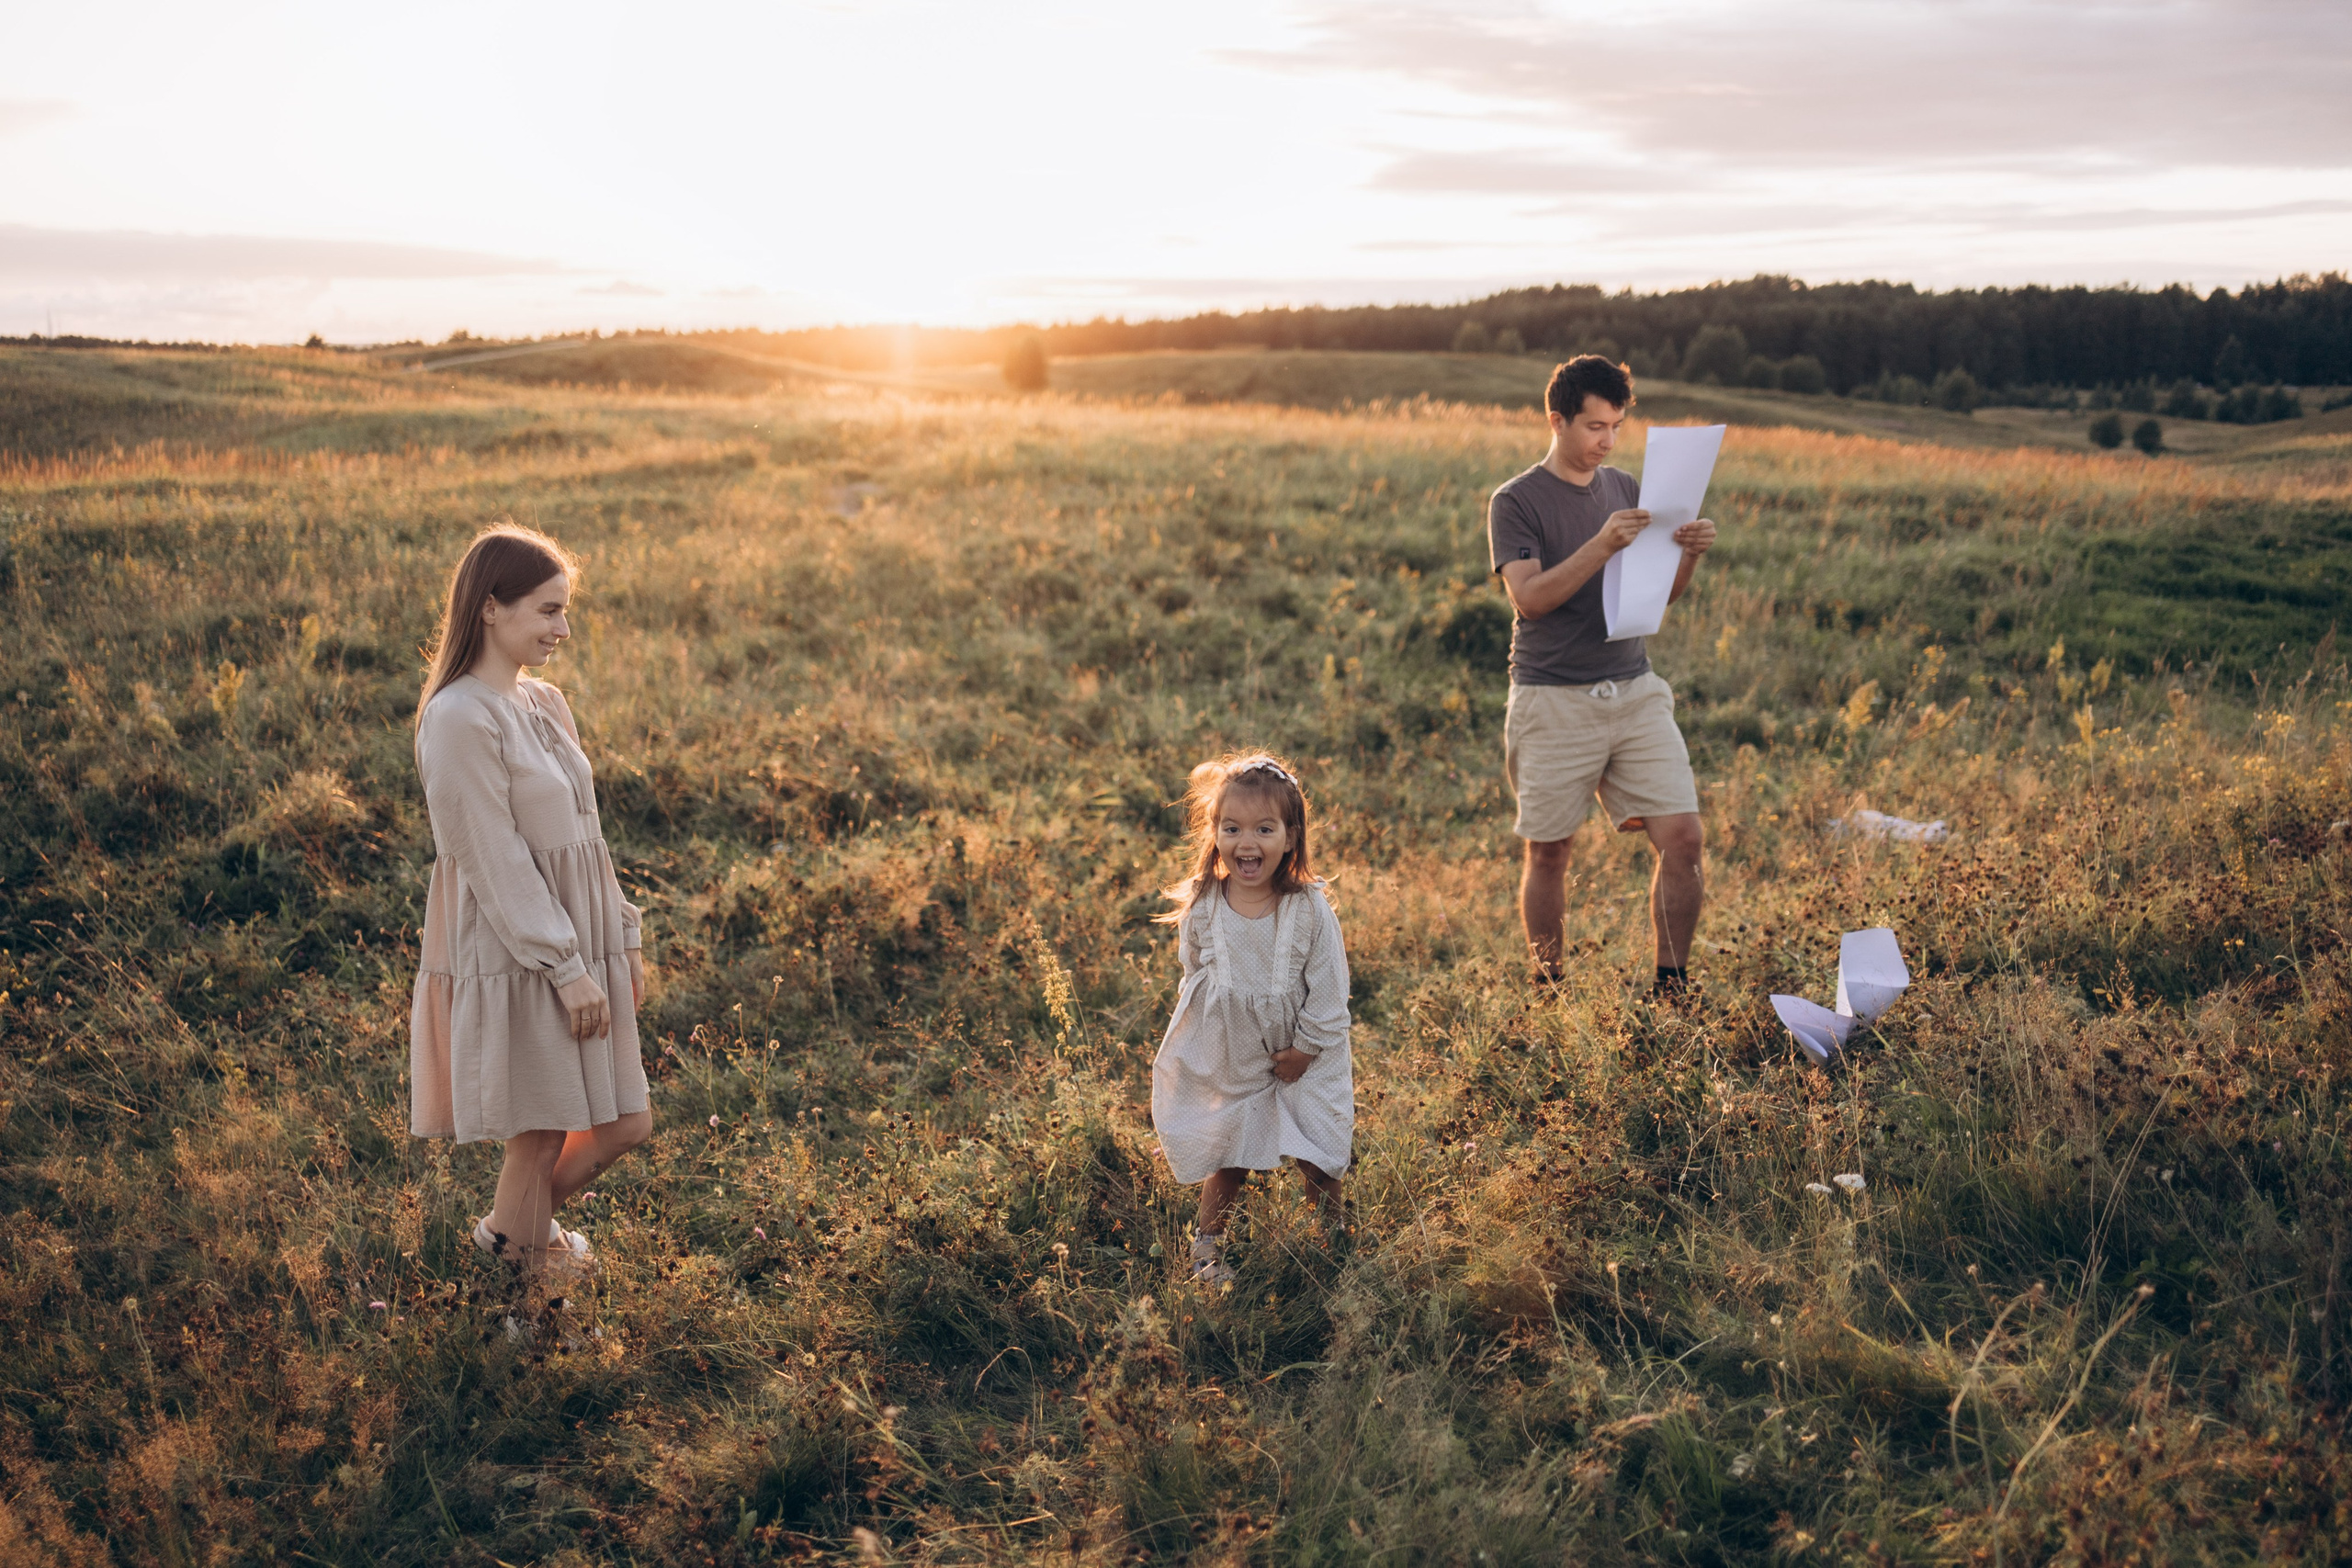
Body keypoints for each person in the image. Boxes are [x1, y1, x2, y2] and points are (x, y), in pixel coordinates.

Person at [409, 525, 653, 1280]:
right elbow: (492, 855)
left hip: (581, 938)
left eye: (566, 610)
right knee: (541, 1134)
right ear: (490, 607)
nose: (563, 629)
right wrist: (563, 964)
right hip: (522, 946)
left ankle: (511, 1245)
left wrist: (621, 936)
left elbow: (587, 832)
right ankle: (521, 1296)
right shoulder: (458, 717)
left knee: (624, 1123)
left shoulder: (544, 703)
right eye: (548, 610)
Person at [1488, 355, 1717, 993]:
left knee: (1685, 839)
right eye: (1594, 426)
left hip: (1635, 688)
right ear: (1556, 420)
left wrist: (1688, 557)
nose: (1607, 441)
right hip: (1552, 696)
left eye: (1616, 426)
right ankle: (1549, 990)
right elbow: (1529, 599)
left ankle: (1672, 990)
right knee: (1550, 851)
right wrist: (1602, 545)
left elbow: (1657, 597)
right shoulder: (1516, 500)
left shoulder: (1622, 487)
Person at [1149, 754, 1352, 1287]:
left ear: (1290, 838)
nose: (1247, 843)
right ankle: (1207, 1252)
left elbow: (1331, 991)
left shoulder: (1309, 909)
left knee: (1318, 1153)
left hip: (1306, 1056)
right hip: (1235, 1052)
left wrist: (1306, 1049)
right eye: (1232, 828)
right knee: (1229, 1152)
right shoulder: (1204, 904)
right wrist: (1212, 1035)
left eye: (1264, 829)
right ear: (1214, 833)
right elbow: (1193, 973)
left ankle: (1330, 1246)